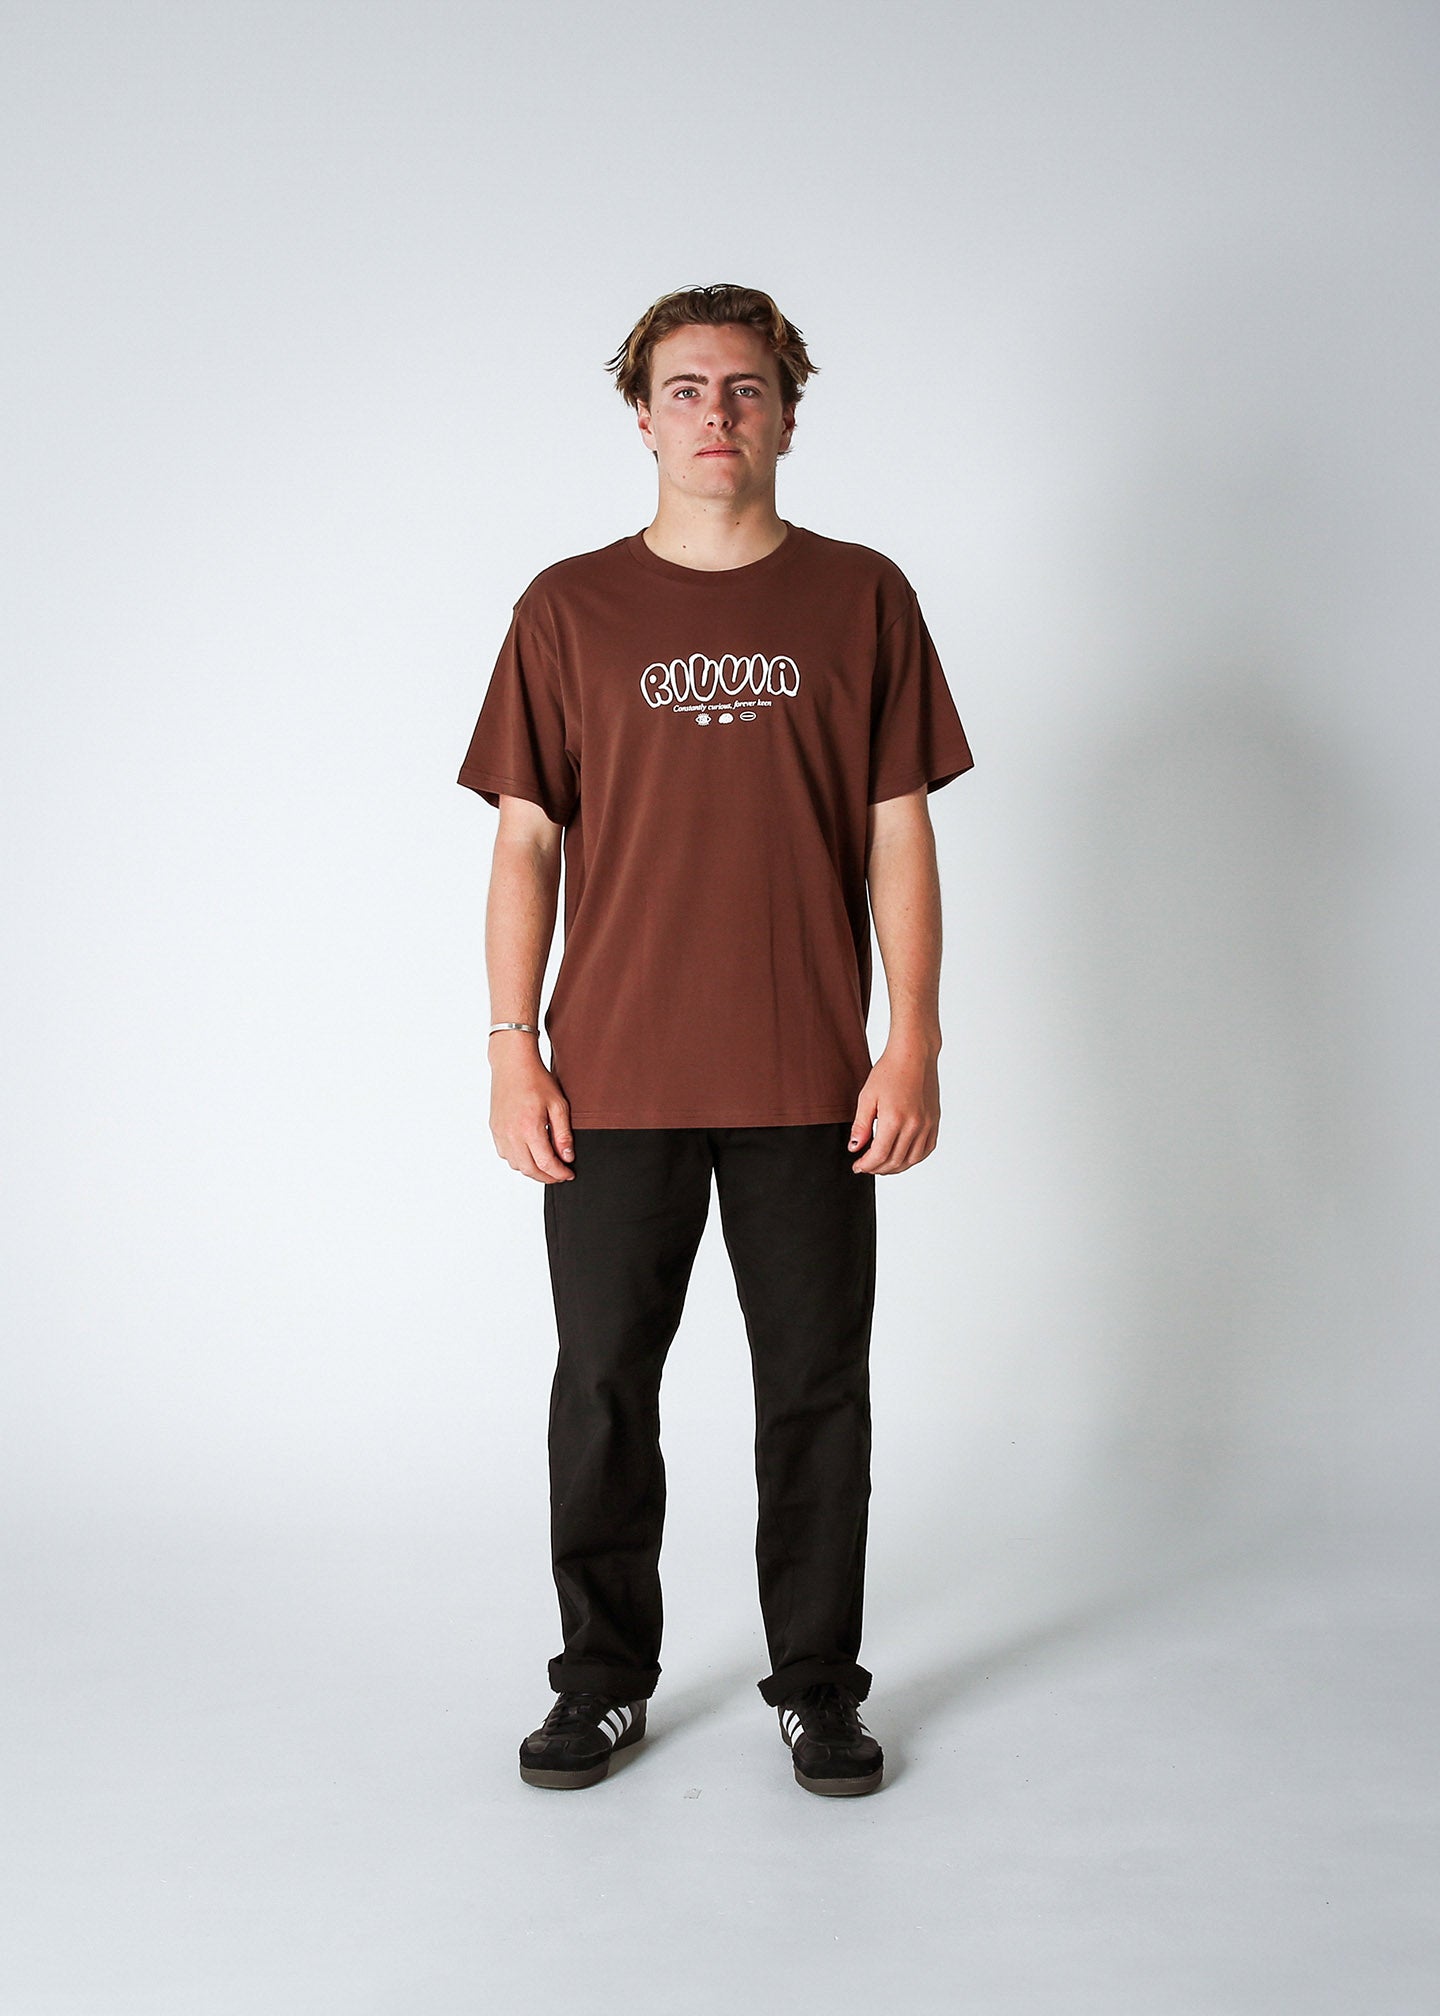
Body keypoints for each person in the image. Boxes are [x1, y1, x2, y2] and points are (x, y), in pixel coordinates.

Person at [457, 284, 972, 1797]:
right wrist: (511, 1045)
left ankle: (818, 1686)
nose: (716, 415)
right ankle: (602, 1680)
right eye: (684, 390)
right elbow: (525, 845)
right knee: (603, 1388)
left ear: (789, 414)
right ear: (642, 418)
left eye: (745, 388)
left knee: (815, 1393)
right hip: (611, 1077)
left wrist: (913, 1040)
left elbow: (899, 833)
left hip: (811, 1076)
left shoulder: (863, 597)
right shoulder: (568, 608)